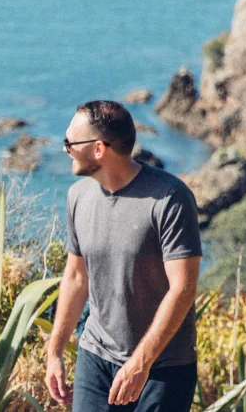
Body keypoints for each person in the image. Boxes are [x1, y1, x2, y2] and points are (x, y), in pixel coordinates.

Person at [42, 100, 202, 412]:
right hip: (97, 359)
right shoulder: (78, 196)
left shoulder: (169, 198)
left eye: (70, 142)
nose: (66, 150)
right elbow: (76, 277)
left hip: (163, 367)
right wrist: (55, 352)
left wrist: (140, 363)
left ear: (99, 149)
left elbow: (182, 288)